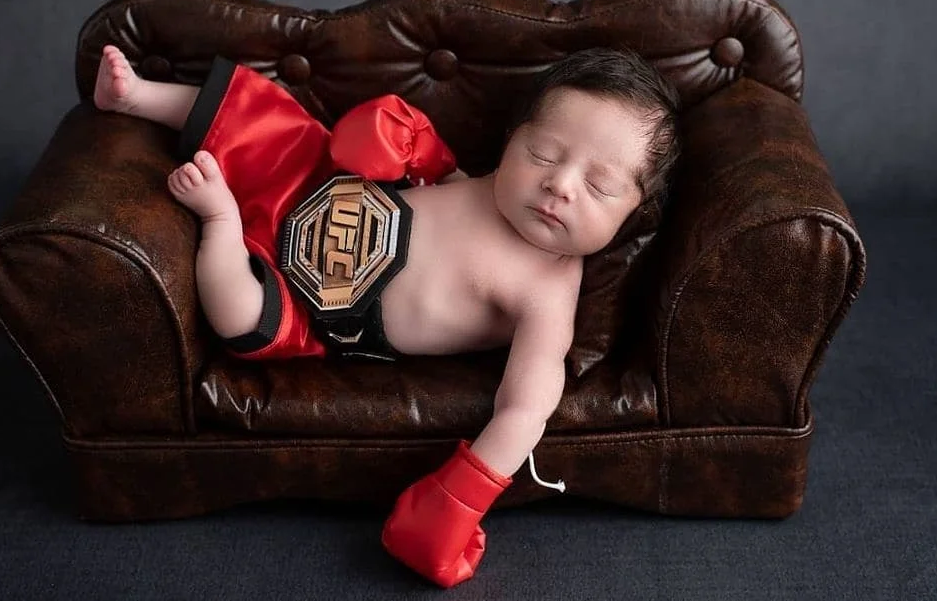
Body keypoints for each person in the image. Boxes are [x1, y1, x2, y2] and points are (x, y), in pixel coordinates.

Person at [93, 43, 680, 588]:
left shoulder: (547, 290)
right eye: (542, 153)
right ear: (510, 140)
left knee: (240, 318)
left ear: (635, 213)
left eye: (600, 186)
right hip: (317, 190)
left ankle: (218, 222)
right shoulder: (486, 185)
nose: (559, 184)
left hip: (314, 309)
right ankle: (137, 96)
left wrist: (460, 501)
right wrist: (411, 144)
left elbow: (526, 406)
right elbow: (432, 176)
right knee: (269, 117)